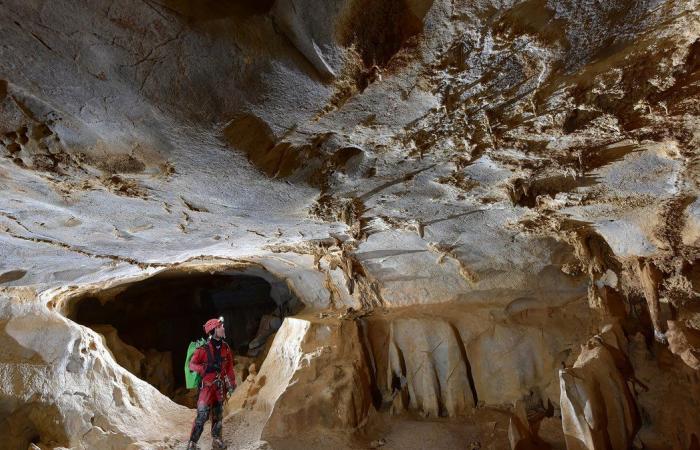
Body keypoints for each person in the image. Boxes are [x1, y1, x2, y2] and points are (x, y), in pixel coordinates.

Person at [187, 317, 237, 450]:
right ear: (213, 330)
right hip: (206, 388)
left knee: (218, 415)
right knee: (202, 415)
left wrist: (232, 384)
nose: (223, 329)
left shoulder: (225, 348)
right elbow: (191, 365)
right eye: (220, 327)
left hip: (219, 388)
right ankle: (192, 443)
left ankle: (216, 440)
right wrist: (203, 369)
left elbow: (229, 368)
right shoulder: (202, 350)